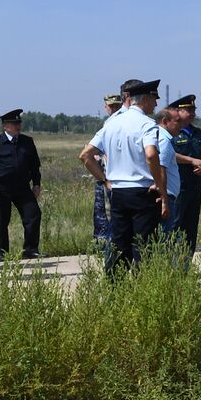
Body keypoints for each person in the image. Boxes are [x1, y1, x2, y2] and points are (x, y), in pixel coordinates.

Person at [80, 79, 169, 275]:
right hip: (143, 191)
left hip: (118, 192)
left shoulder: (112, 123)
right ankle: (143, 290)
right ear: (145, 99)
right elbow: (151, 154)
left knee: (120, 244)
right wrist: (160, 186)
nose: (156, 104)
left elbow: (85, 155)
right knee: (144, 245)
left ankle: (116, 289)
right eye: (154, 99)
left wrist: (105, 181)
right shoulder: (147, 124)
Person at [0, 109, 43, 259]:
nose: (17, 126)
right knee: (1, 221)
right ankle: (0, 252)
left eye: (19, 123)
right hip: (1, 188)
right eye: (14, 124)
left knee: (33, 215)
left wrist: (36, 184)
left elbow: (35, 165)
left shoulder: (27, 142)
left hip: (22, 187)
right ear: (5, 126)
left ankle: (30, 250)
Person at [167, 94, 201, 256]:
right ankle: (171, 266)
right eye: (188, 110)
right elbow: (168, 154)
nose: (192, 113)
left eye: (193, 110)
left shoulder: (199, 133)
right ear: (177, 111)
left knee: (190, 228)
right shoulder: (171, 132)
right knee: (174, 226)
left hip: (194, 187)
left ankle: (185, 267)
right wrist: (191, 161)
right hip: (177, 187)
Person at [93, 93, 124, 251]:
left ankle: (112, 243)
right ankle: (103, 242)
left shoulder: (121, 122)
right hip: (105, 176)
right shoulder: (107, 124)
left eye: (117, 106)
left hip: (117, 177)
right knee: (102, 211)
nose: (114, 109)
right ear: (105, 107)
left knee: (113, 212)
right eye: (111, 106)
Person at [148, 107, 183, 237]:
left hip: (165, 195)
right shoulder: (163, 140)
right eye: (177, 121)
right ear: (165, 121)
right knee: (165, 238)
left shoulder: (159, 137)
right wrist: (164, 201)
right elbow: (161, 169)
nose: (181, 125)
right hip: (165, 195)